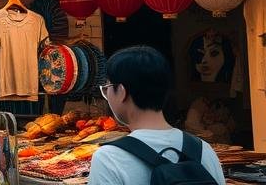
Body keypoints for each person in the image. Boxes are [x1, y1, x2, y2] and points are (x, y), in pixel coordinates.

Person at [89, 46, 226, 185]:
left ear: (122, 92)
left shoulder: (108, 159)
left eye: (106, 89)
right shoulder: (204, 150)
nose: (107, 95)